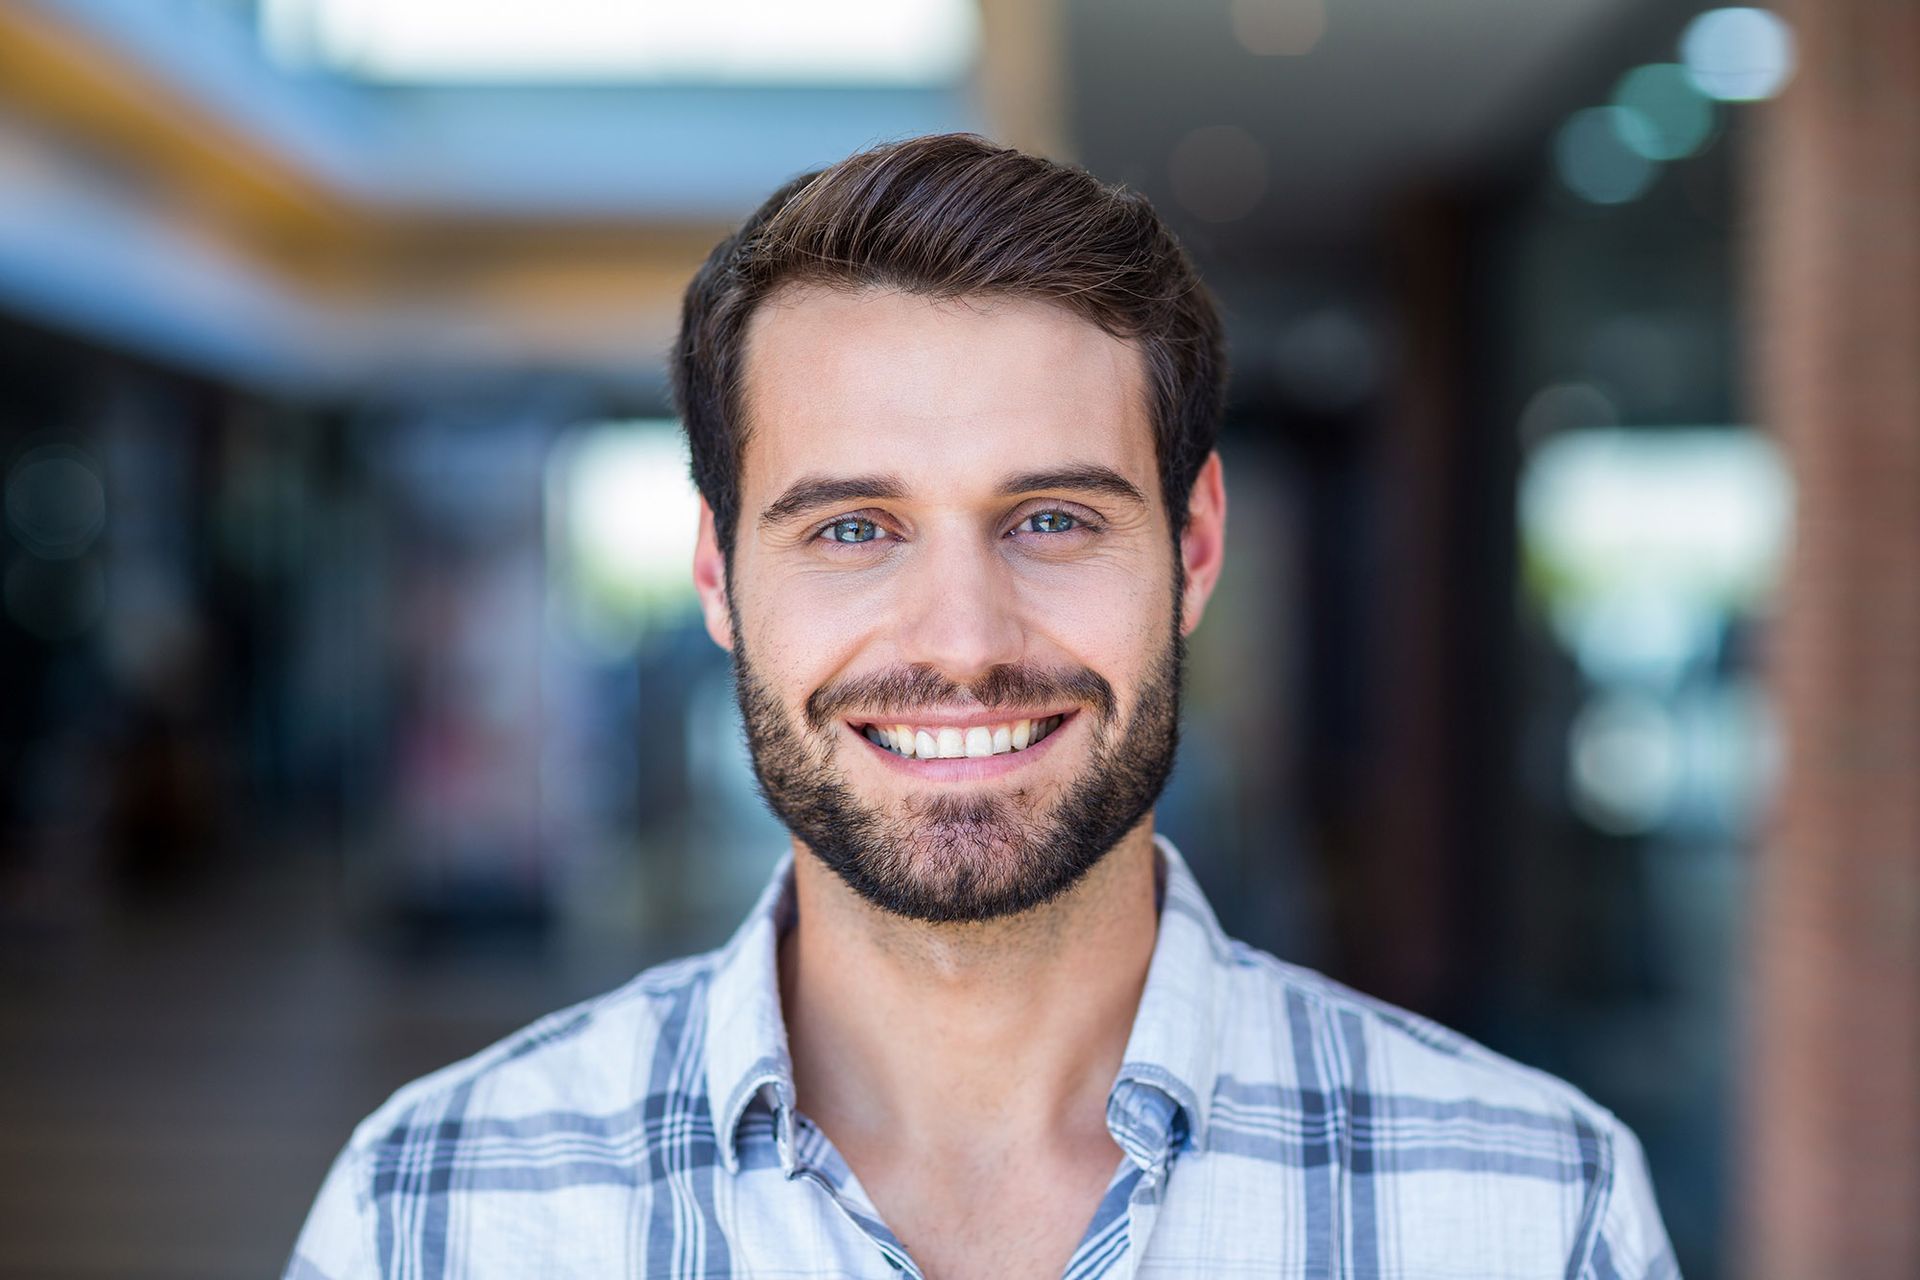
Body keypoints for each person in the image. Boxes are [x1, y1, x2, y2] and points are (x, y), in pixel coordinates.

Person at [284, 133, 1677, 1280]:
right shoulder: (432, 1215)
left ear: (1193, 549)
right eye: (851, 530)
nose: (962, 643)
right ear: (719, 576)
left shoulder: (1536, 1209)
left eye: (1055, 518)